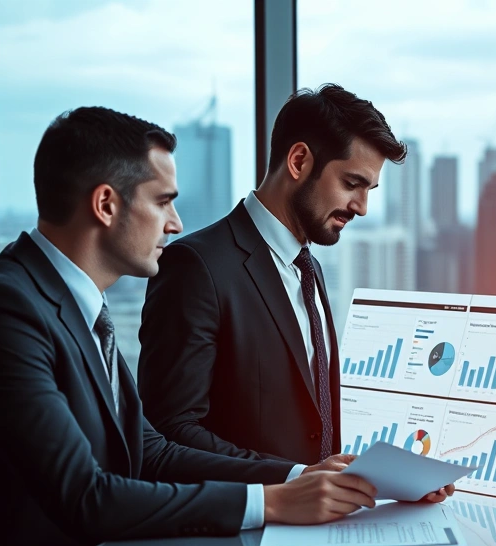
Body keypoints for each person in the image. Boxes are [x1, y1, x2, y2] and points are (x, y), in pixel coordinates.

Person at [0, 107, 381, 546]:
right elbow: (87, 496)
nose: (175, 224)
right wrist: (269, 504)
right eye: (162, 202)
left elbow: (152, 451)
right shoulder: (0, 310)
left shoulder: (79, 307)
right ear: (106, 205)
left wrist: (302, 477)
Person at [138, 85, 423, 468]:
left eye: (369, 189)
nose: (362, 207)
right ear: (299, 161)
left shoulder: (309, 269)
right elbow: (169, 431)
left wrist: (385, 478)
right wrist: (294, 481)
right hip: (247, 523)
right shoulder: (196, 267)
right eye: (352, 184)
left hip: (323, 522)